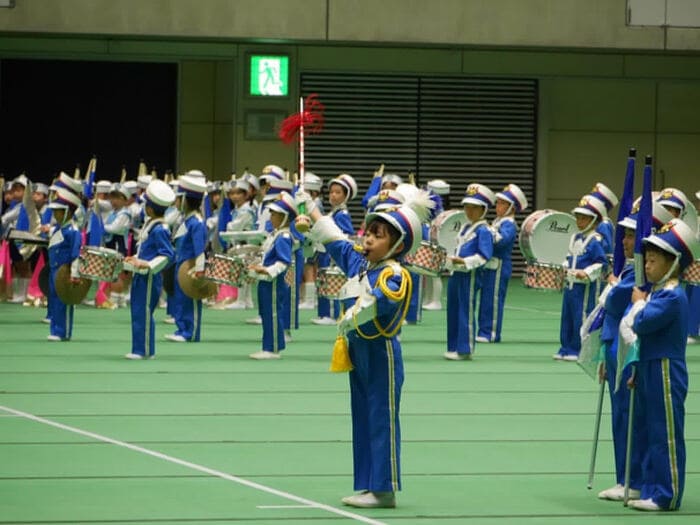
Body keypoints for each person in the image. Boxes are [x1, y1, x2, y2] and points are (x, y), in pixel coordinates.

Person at [295, 185, 434, 509]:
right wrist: (309, 206)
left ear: (398, 244)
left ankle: (384, 489)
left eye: (379, 235)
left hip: (380, 354)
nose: (368, 239)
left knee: (381, 418)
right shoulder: (365, 265)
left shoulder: (393, 274)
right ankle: (369, 484)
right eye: (369, 232)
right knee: (363, 418)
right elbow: (336, 241)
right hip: (359, 353)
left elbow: (374, 305)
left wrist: (346, 320)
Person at [619, 218, 699, 511]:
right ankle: (652, 488)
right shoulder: (659, 292)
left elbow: (642, 322)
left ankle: (667, 493)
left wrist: (639, 302)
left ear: (673, 262)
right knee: (651, 430)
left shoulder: (672, 296)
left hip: (666, 368)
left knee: (665, 432)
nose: (647, 266)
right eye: (647, 260)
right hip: (651, 365)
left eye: (653, 261)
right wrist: (637, 368)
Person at [596, 202, 673, 502]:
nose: (625, 242)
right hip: (618, 350)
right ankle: (625, 476)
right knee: (621, 417)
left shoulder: (639, 274)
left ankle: (636, 478)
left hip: (633, 353)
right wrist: (605, 351)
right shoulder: (629, 269)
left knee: (634, 418)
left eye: (631, 235)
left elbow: (614, 303)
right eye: (624, 235)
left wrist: (612, 287)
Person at [123, 180, 176, 360]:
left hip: (150, 277)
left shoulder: (160, 229)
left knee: (143, 312)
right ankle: (140, 348)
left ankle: (144, 350)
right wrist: (137, 260)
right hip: (141, 274)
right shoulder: (152, 224)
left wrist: (148, 265)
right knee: (138, 311)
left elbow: (168, 255)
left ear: (151, 208)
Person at [444, 183, 496, 360]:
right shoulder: (465, 228)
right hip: (456, 274)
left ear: (483, 209)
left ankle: (465, 348)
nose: (469, 211)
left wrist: (464, 262)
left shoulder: (484, 231)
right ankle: (453, 346)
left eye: (474, 208)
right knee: (453, 309)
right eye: (467, 207)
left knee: (465, 309)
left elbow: (484, 256)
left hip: (470, 275)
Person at [554, 195, 608, 361]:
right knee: (567, 317)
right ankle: (565, 347)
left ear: (594, 221)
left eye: (584, 218)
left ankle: (580, 349)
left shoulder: (595, 241)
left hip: (584, 287)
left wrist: (586, 272)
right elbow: (570, 257)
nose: (579, 221)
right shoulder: (575, 238)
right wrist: (563, 267)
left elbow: (601, 263)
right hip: (570, 285)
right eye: (578, 217)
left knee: (581, 316)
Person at [477, 183, 528, 343]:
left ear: (511, 207)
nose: (497, 206)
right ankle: (484, 330)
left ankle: (490, 332)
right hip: (490, 265)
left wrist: (486, 231)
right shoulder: (498, 222)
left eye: (502, 203)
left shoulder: (509, 224)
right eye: (498, 202)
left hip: (499, 265)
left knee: (493, 300)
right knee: (485, 300)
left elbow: (501, 241)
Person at [248, 192, 296, 360]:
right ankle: (268, 346)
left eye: (275, 214)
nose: (271, 217)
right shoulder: (275, 235)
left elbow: (284, 262)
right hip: (267, 281)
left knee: (273, 313)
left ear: (284, 217)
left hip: (274, 282)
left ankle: (272, 348)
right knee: (266, 313)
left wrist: (266, 270)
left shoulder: (283, 236)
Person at [165, 174, 208, 343]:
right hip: (180, 265)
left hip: (190, 266)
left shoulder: (196, 222)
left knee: (191, 297)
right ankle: (181, 328)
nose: (175, 202)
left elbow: (199, 250)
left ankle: (191, 331)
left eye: (178, 198)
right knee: (180, 298)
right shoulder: (186, 220)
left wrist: (199, 269)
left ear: (186, 200)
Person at [311, 173, 357, 325]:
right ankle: (324, 313)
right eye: (331, 192)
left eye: (338, 192)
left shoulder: (342, 214)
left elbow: (347, 235)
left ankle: (331, 314)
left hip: (333, 255)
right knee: (324, 278)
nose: (333, 195)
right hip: (325, 252)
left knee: (332, 280)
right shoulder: (333, 212)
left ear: (346, 195)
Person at [46, 188, 83, 341]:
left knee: (64, 300)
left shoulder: (73, 231)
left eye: (59, 211)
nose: (55, 214)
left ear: (68, 211)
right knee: (54, 299)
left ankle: (64, 331)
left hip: (65, 270)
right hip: (54, 270)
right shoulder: (58, 229)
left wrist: (74, 274)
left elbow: (76, 254)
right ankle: (55, 329)